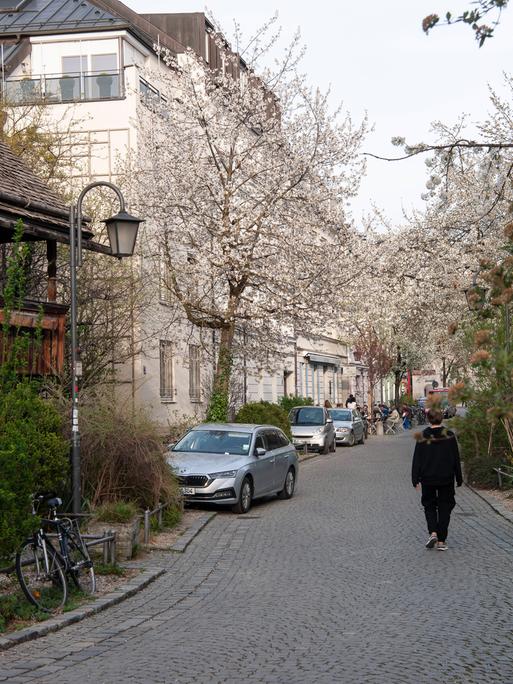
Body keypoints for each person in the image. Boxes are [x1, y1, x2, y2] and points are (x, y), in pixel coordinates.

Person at [411, 408, 463, 551]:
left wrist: (415, 478)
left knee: (429, 506)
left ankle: (433, 532)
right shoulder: (449, 435)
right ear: (442, 419)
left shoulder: (422, 436)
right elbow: (455, 458)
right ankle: (441, 540)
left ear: (428, 419)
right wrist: (459, 477)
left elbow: (417, 459)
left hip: (427, 478)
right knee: (445, 507)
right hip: (446, 478)